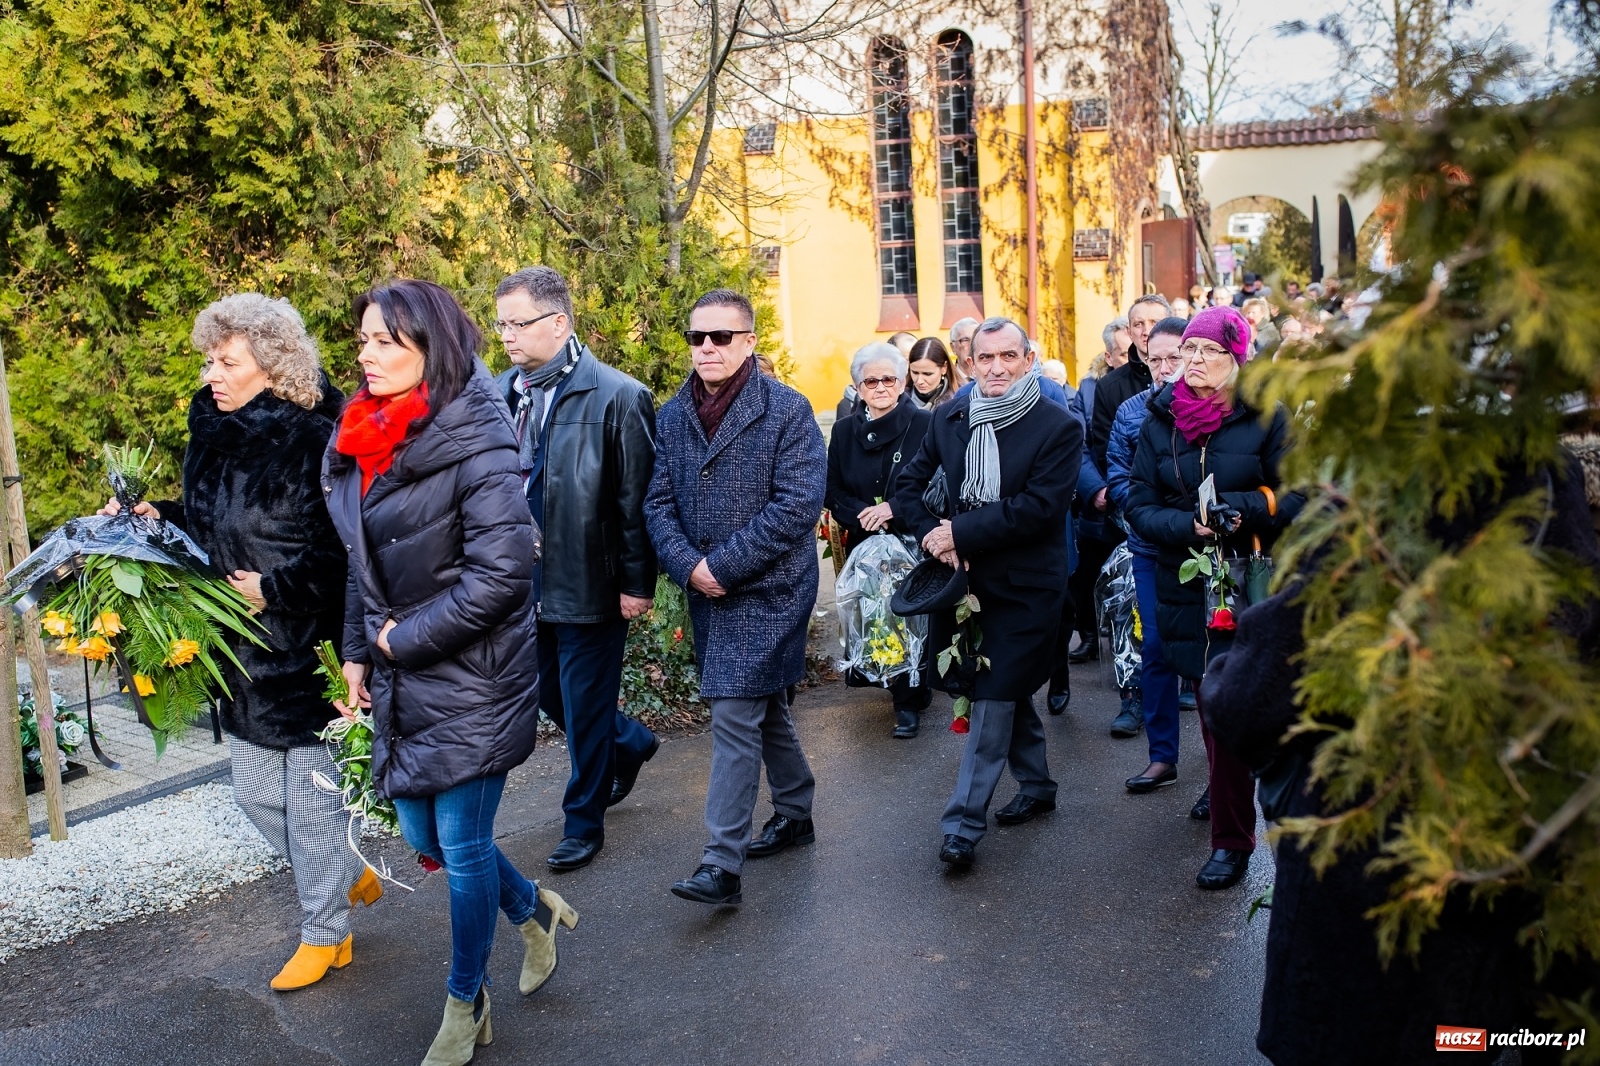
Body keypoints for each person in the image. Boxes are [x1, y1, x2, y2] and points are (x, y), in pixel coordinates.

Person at [1205, 457, 1600, 1064]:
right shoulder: (1557, 485)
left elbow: (1254, 693)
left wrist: (1225, 680)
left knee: (1378, 1030)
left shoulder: (1394, 489)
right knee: (1471, 1036)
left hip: (1372, 865)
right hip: (1515, 856)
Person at [326, 279, 573, 1062]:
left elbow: (502, 576)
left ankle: (466, 1003)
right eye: (362, 339)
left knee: (460, 844)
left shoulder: (478, 436)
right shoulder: (367, 433)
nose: (365, 355)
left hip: (477, 673)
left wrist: (401, 642)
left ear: (429, 351)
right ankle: (534, 910)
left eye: (383, 342)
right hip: (404, 665)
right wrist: (360, 652)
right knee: (419, 829)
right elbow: (359, 562)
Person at [102, 294, 365, 992]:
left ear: (272, 366)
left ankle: (324, 933)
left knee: (311, 805)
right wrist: (155, 515)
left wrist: (272, 591)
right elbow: (206, 523)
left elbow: (342, 554)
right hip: (236, 653)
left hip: (309, 651)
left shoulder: (316, 439)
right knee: (254, 798)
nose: (212, 373)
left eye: (228, 361)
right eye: (209, 359)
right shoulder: (209, 431)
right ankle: (348, 873)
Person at [644, 288, 826, 907]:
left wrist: (722, 565)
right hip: (706, 586)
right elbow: (657, 503)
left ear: (748, 341)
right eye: (698, 337)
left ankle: (721, 864)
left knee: (733, 714)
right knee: (758, 702)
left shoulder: (787, 409)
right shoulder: (672, 415)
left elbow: (797, 505)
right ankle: (796, 809)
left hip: (771, 587)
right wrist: (690, 566)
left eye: (721, 337)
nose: (707, 349)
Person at [894, 317, 1082, 870]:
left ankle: (962, 826)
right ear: (969, 363)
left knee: (992, 695)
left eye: (1009, 356)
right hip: (965, 583)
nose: (997, 368)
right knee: (1002, 687)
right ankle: (1038, 784)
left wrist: (962, 532)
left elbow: (1039, 509)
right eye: (985, 358)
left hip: (1027, 587)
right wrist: (935, 533)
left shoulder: (1058, 426)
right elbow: (907, 485)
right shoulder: (948, 417)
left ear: (1027, 359)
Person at [491, 266, 660, 874]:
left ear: (558, 323)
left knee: (584, 709)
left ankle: (583, 822)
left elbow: (636, 500)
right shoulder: (498, 393)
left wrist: (637, 583)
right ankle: (631, 741)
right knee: (546, 695)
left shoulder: (617, 395)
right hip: (515, 583)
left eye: (519, 322)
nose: (507, 335)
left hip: (589, 577)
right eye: (501, 323)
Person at [1126, 305, 1301, 891]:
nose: (1193, 362)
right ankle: (1230, 831)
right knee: (1210, 706)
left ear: (1237, 361)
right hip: (1189, 579)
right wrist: (1189, 527)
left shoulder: (1268, 416)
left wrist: (1246, 509)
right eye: (1189, 351)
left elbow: (1298, 494)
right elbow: (1139, 503)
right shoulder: (1160, 420)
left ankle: (1257, 833)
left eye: (1209, 353)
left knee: (1253, 701)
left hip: (1252, 576)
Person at [825, 342, 934, 737]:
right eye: (871, 380)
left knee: (909, 617)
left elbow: (937, 484)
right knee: (874, 618)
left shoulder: (925, 424)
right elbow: (831, 489)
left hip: (914, 538)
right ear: (858, 386)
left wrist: (893, 509)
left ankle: (909, 699)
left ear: (903, 382)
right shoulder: (842, 431)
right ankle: (892, 681)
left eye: (889, 379)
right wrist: (862, 515)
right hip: (864, 543)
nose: (881, 387)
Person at [1103, 317, 1188, 788]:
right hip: (1149, 548)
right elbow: (1118, 477)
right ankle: (1162, 756)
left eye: (1174, 357)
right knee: (1153, 647)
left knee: (1207, 656)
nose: (1164, 368)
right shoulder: (1132, 411)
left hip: (1201, 550)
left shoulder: (1215, 409)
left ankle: (1221, 775)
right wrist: (1146, 514)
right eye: (1155, 359)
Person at [1084, 295, 1172, 733]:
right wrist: (1122, 503)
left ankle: (1187, 681)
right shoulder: (1116, 391)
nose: (1145, 330)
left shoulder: (1203, 395)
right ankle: (1131, 696)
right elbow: (1106, 452)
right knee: (1127, 608)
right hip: (1129, 523)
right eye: (1138, 323)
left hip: (1183, 531)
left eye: (1154, 322)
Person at [906, 337, 958, 409]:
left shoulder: (960, 400)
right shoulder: (897, 400)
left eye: (927, 374)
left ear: (944, 368)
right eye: (915, 373)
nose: (919, 381)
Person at [949, 317, 979, 382]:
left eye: (975, 339)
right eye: (965, 340)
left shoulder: (991, 378)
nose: (972, 344)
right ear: (953, 347)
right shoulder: (948, 381)